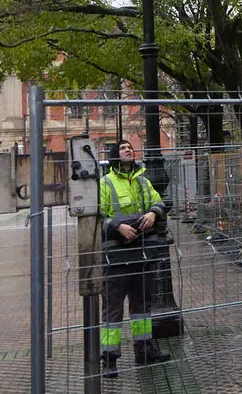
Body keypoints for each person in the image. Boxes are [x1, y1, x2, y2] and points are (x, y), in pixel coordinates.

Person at [99, 139, 171, 374]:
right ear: (115, 155)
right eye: (122, 148)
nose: (128, 150)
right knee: (113, 309)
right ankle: (109, 359)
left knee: (142, 306)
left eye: (130, 147)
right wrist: (118, 227)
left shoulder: (143, 180)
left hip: (142, 252)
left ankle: (145, 352)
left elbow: (159, 201)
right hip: (117, 256)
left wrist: (153, 212)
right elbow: (97, 215)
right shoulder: (105, 183)